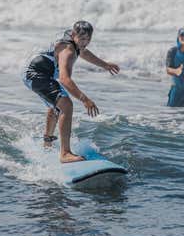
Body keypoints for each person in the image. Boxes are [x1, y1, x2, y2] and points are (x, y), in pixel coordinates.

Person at [22, 21, 120, 163]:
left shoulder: (75, 40)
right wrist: (85, 99)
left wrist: (104, 65)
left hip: (38, 71)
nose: (84, 42)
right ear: (73, 35)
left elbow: (83, 51)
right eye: (81, 39)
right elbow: (64, 79)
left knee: (56, 105)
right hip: (35, 74)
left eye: (88, 39)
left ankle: (47, 143)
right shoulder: (68, 50)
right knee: (66, 105)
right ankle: (65, 154)